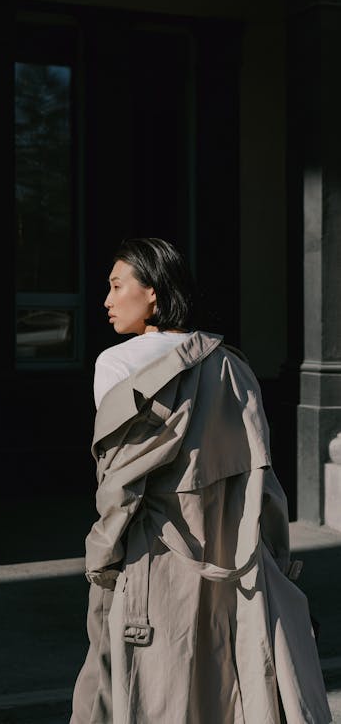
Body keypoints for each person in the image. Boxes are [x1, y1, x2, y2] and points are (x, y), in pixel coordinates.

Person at [70, 238, 332, 724]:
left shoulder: (119, 364)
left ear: (153, 292)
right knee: (222, 689)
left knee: (150, 691)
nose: (106, 300)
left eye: (116, 285)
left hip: (154, 554)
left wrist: (103, 557)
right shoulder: (232, 365)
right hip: (229, 552)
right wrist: (275, 559)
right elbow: (263, 479)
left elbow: (119, 482)